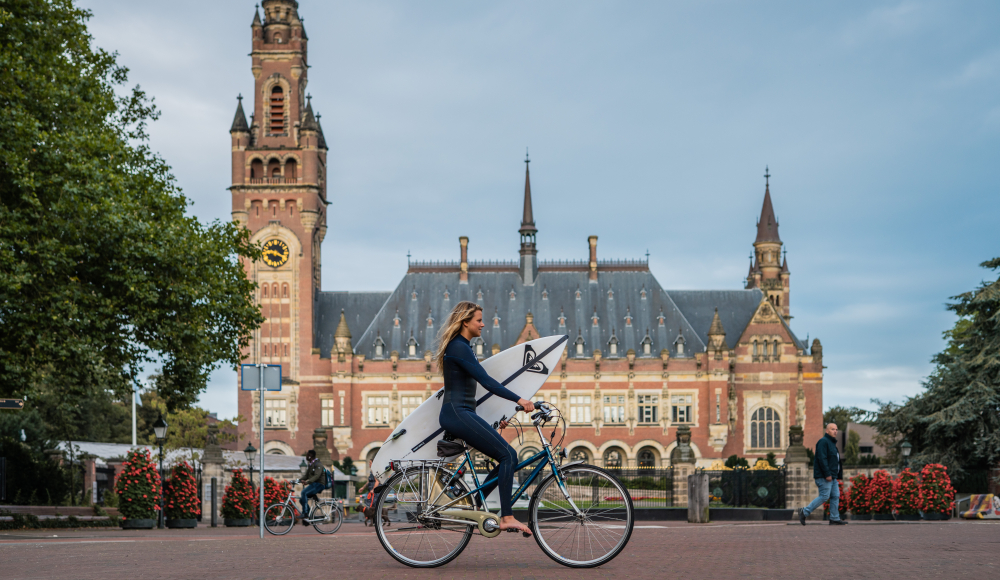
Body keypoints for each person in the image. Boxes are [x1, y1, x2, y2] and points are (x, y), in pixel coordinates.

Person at [436, 301, 535, 537]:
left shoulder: (463, 347)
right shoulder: (459, 347)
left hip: (462, 413)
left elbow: (472, 394)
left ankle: (475, 506)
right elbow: (487, 382)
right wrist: (520, 399)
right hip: (458, 414)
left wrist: (496, 420)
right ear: (465, 322)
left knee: (507, 457)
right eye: (479, 320)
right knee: (508, 455)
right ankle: (507, 517)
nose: (482, 324)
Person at [799, 423, 848, 525]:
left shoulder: (832, 443)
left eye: (836, 429)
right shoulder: (823, 442)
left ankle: (834, 518)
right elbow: (822, 459)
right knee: (824, 496)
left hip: (832, 477)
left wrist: (837, 475)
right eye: (832, 429)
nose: (835, 431)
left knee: (835, 496)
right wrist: (827, 474)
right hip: (824, 476)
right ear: (827, 431)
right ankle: (804, 512)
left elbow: (835, 461)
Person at [299, 450, 325, 524]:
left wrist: (307, 482)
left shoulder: (318, 464)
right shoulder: (310, 465)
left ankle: (305, 513)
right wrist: (298, 480)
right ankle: (309, 517)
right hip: (314, 484)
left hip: (319, 484)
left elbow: (317, 476)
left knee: (304, 492)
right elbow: (306, 476)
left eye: (307, 455)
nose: (306, 457)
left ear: (310, 456)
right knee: (301, 500)